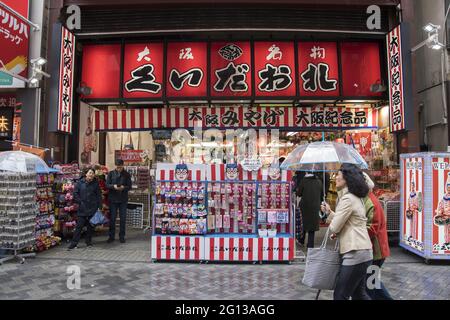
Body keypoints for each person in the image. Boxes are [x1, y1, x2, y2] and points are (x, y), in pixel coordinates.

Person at [321, 164, 373, 300]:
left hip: (355, 253)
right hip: (362, 251)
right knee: (358, 295)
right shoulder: (354, 197)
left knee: (340, 295)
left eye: (338, 175)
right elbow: (348, 222)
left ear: (347, 179)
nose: (336, 177)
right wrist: (330, 213)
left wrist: (328, 218)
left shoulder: (348, 199)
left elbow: (335, 227)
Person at [362, 172, 393, 300]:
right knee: (371, 282)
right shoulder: (367, 199)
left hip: (377, 251)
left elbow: (372, 227)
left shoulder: (371, 201)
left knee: (371, 282)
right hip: (376, 250)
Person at [68, 168, 102, 250]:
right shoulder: (80, 183)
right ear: (86, 174)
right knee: (79, 226)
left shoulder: (96, 184)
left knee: (90, 226)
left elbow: (98, 196)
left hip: (92, 207)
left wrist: (99, 207)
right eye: (90, 173)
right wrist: (80, 202)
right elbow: (75, 193)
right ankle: (74, 243)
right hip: (82, 208)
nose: (91, 174)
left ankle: (88, 242)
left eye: (93, 173)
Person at [106, 159, 132, 243]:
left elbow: (129, 186)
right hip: (113, 199)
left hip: (123, 199)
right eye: (117, 167)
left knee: (123, 219)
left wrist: (123, 187)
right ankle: (111, 236)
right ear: (115, 166)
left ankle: (122, 236)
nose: (119, 169)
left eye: (120, 167)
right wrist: (113, 186)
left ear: (123, 166)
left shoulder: (127, 174)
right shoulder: (111, 173)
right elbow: (107, 185)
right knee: (112, 219)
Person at [297, 172, 323, 248]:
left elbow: (299, 193)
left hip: (305, 205)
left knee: (303, 223)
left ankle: (301, 240)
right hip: (315, 206)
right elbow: (321, 194)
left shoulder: (304, 180)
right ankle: (310, 245)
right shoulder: (319, 181)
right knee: (312, 226)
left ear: (306, 172)